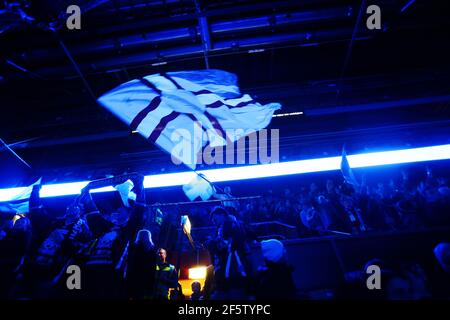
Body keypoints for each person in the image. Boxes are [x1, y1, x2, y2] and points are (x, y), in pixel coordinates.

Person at [126, 229, 157, 299]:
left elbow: (129, 262)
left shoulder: (133, 247)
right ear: (149, 237)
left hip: (132, 276)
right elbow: (152, 266)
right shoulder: (151, 250)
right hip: (144, 277)